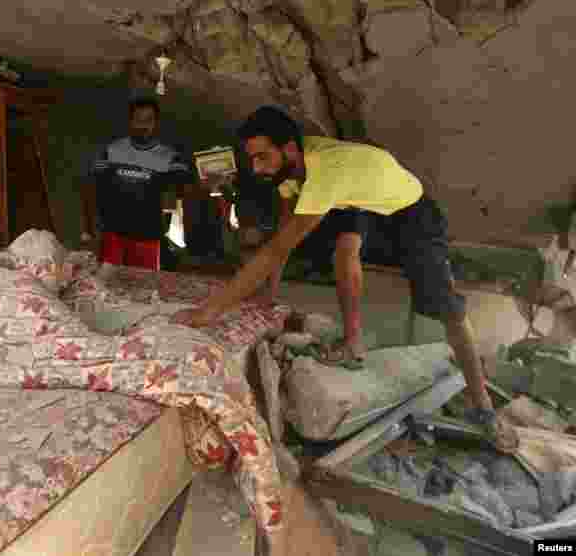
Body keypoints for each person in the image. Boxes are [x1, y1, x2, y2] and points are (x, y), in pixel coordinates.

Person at [172, 105, 518, 452]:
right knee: (343, 251)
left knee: (445, 306)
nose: (257, 168)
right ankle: (353, 344)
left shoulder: (326, 172)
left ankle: (483, 406)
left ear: (289, 149)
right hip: (360, 200)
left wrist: (210, 311)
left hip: (410, 211)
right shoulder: (290, 171)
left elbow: (276, 249)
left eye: (262, 157)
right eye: (253, 160)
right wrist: (268, 296)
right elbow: (282, 234)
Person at [79, 93, 200, 271]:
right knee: (108, 284)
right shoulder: (111, 152)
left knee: (144, 287)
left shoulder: (170, 158)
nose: (143, 125)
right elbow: (90, 188)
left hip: (149, 237)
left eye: (149, 120)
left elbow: (186, 189)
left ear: (156, 123)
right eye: (138, 119)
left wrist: (209, 180)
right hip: (113, 235)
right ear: (130, 121)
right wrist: (88, 230)